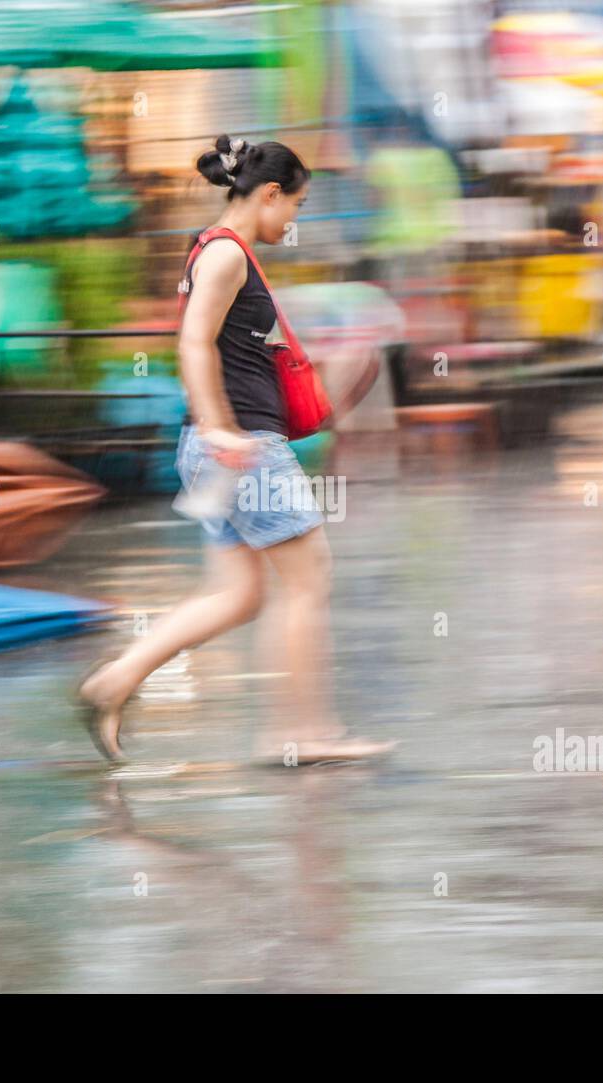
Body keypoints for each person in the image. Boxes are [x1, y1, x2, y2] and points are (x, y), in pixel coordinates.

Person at [76, 135, 395, 766]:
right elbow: (193, 345)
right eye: (296, 208)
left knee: (239, 596)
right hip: (238, 446)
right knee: (309, 583)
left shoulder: (217, 249)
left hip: (217, 447)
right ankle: (303, 733)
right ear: (270, 194)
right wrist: (223, 429)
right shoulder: (226, 255)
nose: (294, 221)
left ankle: (113, 682)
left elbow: (236, 351)